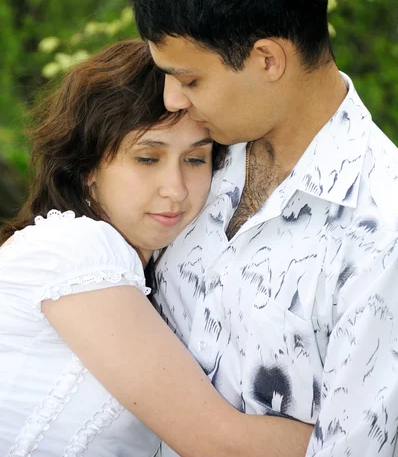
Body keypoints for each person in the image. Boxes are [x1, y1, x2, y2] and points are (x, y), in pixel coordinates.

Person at [129, 0, 398, 457]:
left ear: (267, 59)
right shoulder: (190, 154)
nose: (171, 98)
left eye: (191, 79)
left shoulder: (383, 229)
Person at [0, 39, 312, 457]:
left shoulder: (158, 270)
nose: (176, 189)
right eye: (148, 158)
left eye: (195, 160)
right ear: (89, 167)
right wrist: (371, 429)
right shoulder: (73, 246)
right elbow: (218, 443)